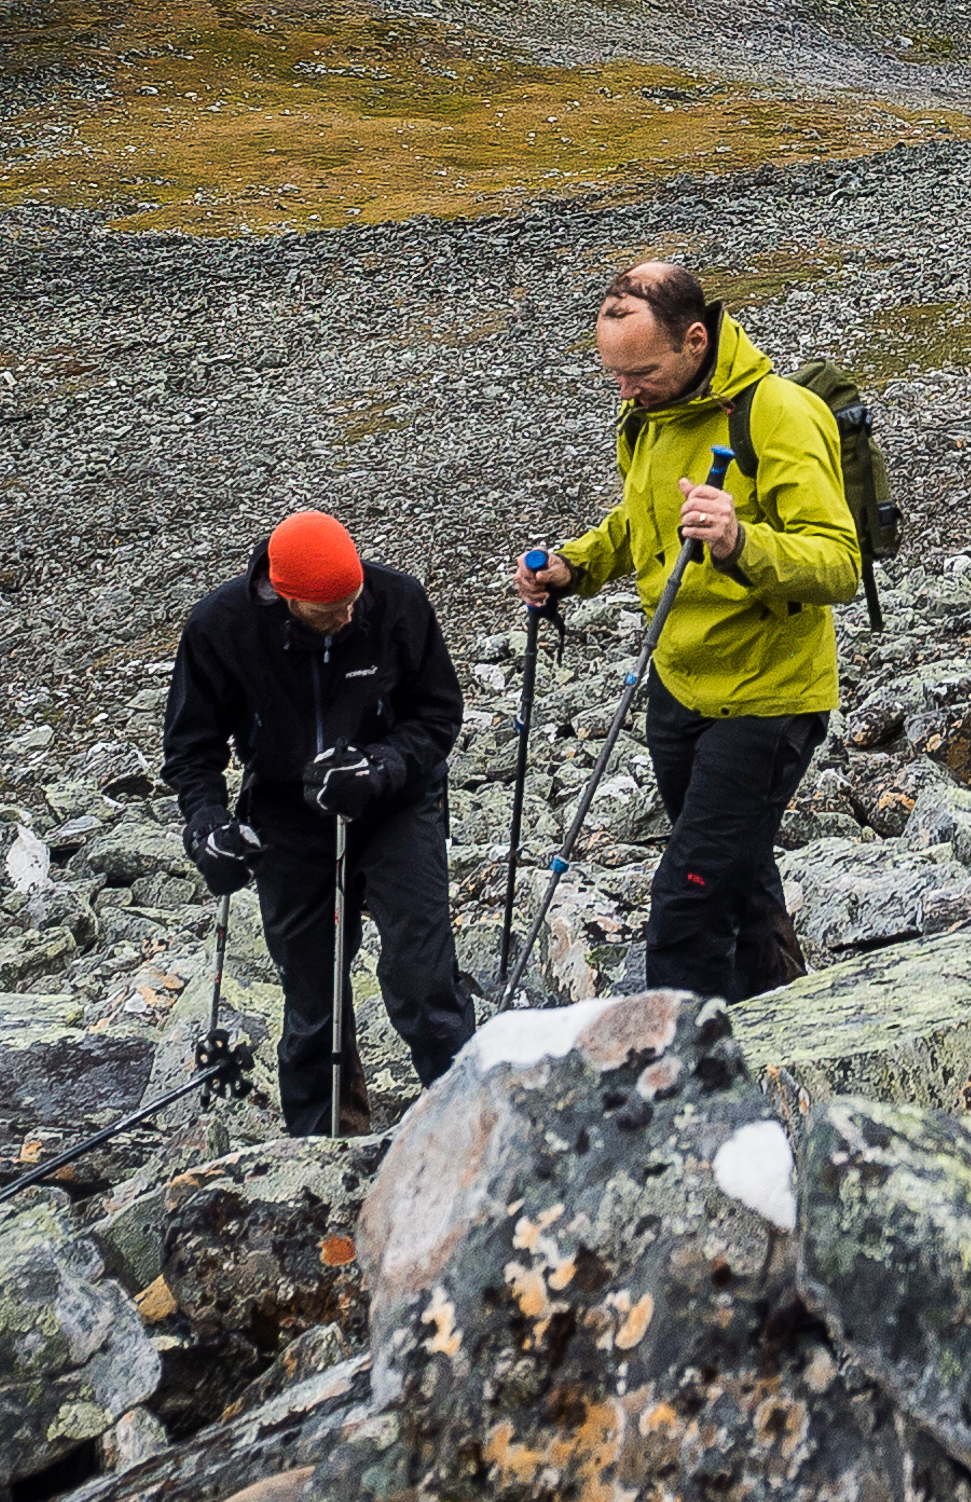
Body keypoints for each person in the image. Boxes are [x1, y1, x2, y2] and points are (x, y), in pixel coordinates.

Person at [519, 258, 859, 1002]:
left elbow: (839, 563)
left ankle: (682, 1086)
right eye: (612, 374)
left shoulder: (776, 413)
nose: (624, 390)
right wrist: (575, 568)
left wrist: (741, 543)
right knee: (736, 874)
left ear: (695, 340)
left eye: (638, 371)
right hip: (678, 688)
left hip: (768, 696)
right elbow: (640, 517)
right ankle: (781, 1024)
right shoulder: (648, 416)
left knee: (686, 899)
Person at [165, 508, 475, 1129]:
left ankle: (472, 1125)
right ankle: (320, 1149)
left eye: (354, 597)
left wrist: (380, 766)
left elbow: (438, 714)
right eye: (331, 608)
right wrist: (207, 827)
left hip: (393, 804)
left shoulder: (395, 601)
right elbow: (191, 751)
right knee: (313, 1001)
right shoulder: (221, 628)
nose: (349, 616)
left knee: (422, 978)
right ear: (285, 598)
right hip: (288, 814)